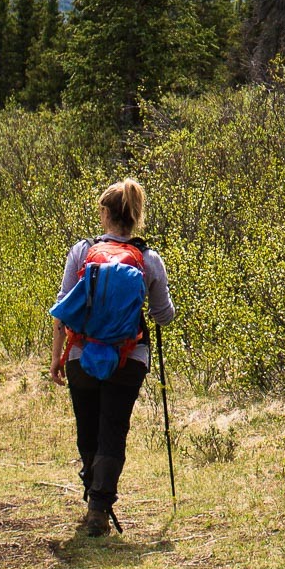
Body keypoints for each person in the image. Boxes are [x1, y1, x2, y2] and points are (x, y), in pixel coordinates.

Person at [49, 177, 176, 536]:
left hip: (81, 353)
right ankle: (99, 507)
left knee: (87, 427)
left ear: (105, 213)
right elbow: (163, 314)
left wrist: (57, 358)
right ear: (135, 216)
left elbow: (63, 311)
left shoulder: (82, 252)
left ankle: (93, 493)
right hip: (128, 357)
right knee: (113, 429)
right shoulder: (149, 258)